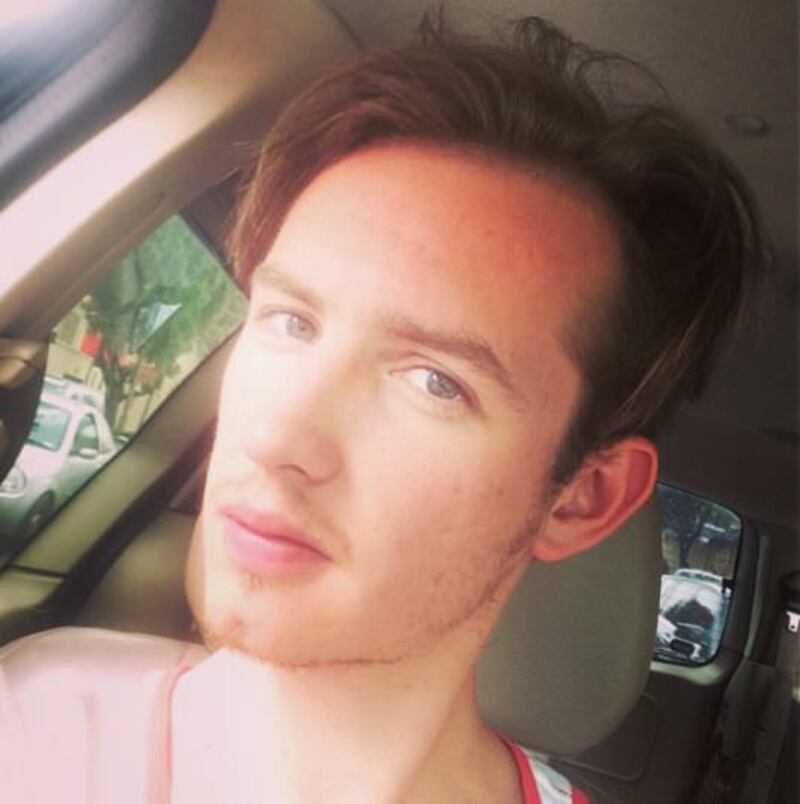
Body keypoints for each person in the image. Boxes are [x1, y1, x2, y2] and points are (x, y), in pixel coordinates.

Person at [0, 14, 761, 804]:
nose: (274, 436)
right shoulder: (34, 724)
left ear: (581, 499)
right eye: (291, 322)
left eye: (435, 382)